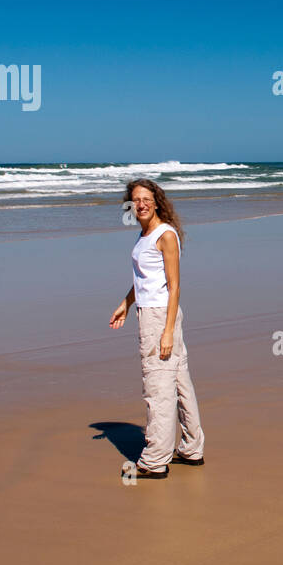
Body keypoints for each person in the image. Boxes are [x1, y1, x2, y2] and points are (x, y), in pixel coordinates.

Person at [109, 178, 205, 479]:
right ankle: (192, 448)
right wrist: (125, 303)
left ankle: (154, 460)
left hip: (161, 317)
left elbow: (174, 286)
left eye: (146, 198)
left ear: (157, 200)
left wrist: (165, 331)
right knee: (178, 383)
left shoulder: (165, 235)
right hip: (152, 312)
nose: (141, 204)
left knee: (157, 387)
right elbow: (146, 280)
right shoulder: (145, 234)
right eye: (135, 200)